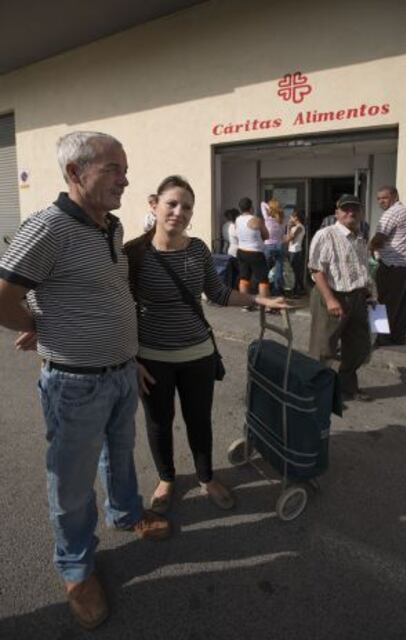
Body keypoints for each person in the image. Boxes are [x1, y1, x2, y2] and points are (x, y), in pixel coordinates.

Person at [0, 131, 171, 630]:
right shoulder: (47, 227)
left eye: (125, 167)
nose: (125, 178)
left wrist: (127, 356)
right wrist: (38, 326)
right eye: (113, 168)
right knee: (71, 484)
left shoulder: (109, 227)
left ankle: (125, 513)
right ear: (75, 173)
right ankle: (76, 568)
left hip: (120, 373)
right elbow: (3, 296)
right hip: (74, 383)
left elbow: (98, 293)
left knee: (119, 454)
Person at [124, 176, 289, 515]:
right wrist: (129, 359)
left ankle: (206, 477)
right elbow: (121, 309)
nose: (179, 212)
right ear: (154, 204)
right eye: (172, 203)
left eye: (186, 207)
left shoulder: (198, 249)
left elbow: (218, 293)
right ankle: (167, 478)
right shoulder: (133, 253)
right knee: (158, 422)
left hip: (198, 354)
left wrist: (261, 300)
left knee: (199, 420)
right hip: (151, 359)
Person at [308, 194, 373, 402]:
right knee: (323, 348)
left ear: (361, 213)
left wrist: (371, 293)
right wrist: (329, 299)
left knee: (359, 347)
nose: (350, 213)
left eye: (355, 209)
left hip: (358, 297)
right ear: (337, 213)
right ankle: (317, 392)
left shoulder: (361, 237)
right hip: (332, 294)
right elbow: (316, 269)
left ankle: (347, 386)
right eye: (345, 209)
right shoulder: (326, 234)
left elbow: (362, 268)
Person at [369, 186, 406, 346]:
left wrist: (366, 249)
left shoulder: (391, 213)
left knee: (381, 303)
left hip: (391, 265)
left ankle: (380, 338)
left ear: (394, 196)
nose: (381, 201)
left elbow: (379, 239)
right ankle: (397, 337)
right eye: (379, 198)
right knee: (401, 304)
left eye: (384, 198)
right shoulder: (405, 212)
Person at [235, 196, 269, 311]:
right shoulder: (256, 220)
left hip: (241, 251)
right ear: (251, 207)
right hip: (255, 252)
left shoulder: (238, 219)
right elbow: (266, 236)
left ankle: (245, 304)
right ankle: (264, 305)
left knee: (244, 278)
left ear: (240, 208)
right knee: (263, 279)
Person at [261, 199, 285, 295]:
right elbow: (283, 234)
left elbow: (262, 204)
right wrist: (276, 209)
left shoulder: (267, 218)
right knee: (278, 270)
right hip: (279, 246)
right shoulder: (281, 220)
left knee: (265, 270)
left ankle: (266, 290)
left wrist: (270, 208)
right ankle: (277, 290)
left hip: (268, 246)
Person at [285, 209, 306, 297]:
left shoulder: (299, 227)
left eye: (292, 216)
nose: (290, 218)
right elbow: (288, 237)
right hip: (292, 251)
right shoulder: (295, 227)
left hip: (296, 251)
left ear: (296, 217)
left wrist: (289, 228)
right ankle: (295, 290)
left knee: (295, 271)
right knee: (292, 271)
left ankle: (297, 291)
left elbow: (290, 239)